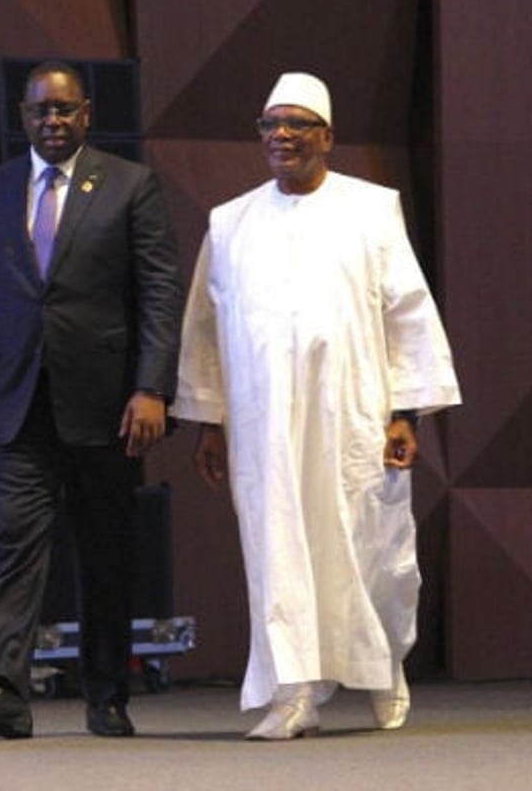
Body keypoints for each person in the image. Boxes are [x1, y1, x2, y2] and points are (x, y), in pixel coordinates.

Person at [174, 72, 461, 740]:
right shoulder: (230, 221)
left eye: (297, 123)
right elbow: (203, 330)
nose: (281, 135)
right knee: (275, 549)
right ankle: (291, 693)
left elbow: (408, 315)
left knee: (365, 545)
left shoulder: (370, 209)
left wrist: (405, 415)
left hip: (352, 413)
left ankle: (381, 665)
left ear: (326, 137)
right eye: (270, 124)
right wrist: (209, 424)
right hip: (261, 422)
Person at [0, 61, 182, 739]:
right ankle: (4, 690)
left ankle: (106, 693)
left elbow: (160, 294)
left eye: (65, 110)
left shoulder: (130, 185)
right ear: (22, 115)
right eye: (41, 111)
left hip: (106, 405)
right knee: (10, 546)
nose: (52, 122)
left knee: (104, 552)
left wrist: (151, 387)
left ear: (86, 115)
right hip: (10, 403)